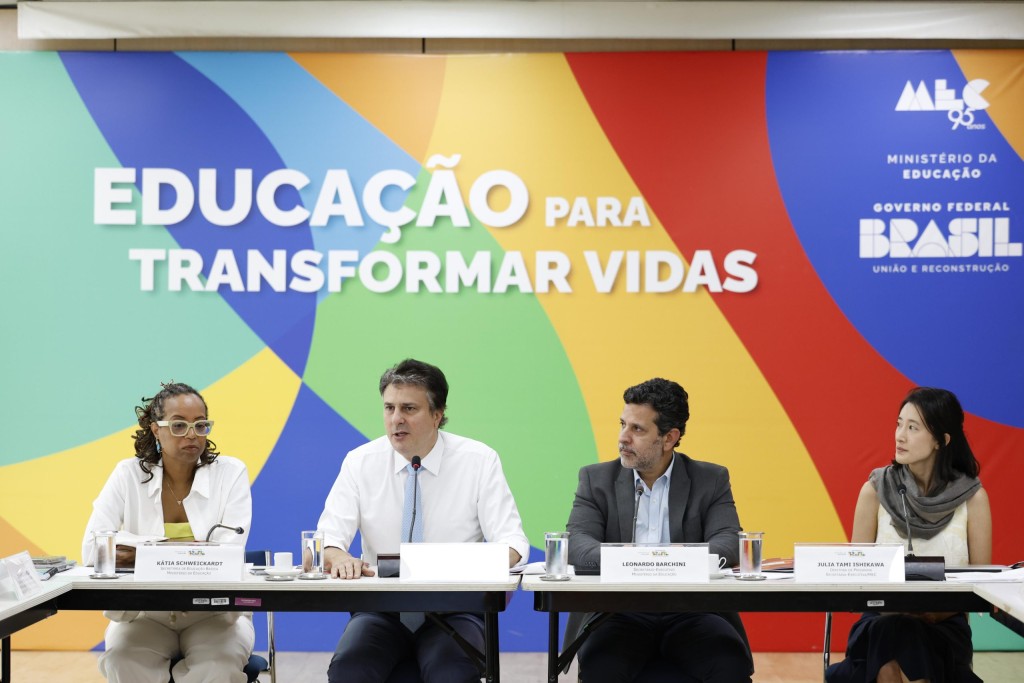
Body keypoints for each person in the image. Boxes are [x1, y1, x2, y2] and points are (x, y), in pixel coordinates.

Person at [316, 358, 530, 683]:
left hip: (455, 608)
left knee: (452, 674)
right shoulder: (360, 462)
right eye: (389, 408)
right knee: (349, 670)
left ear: (437, 414)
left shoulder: (478, 461)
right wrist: (339, 557)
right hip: (380, 609)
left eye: (409, 408)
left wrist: (459, 565)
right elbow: (327, 540)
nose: (396, 419)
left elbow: (513, 544)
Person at [565, 377, 753, 683]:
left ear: (669, 438)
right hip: (617, 611)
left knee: (729, 665)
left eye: (637, 429)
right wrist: (635, 559)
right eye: (622, 424)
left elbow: (729, 542)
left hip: (692, 609)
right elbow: (578, 544)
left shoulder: (710, 479)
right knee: (601, 668)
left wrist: (674, 559)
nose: (623, 438)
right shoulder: (595, 479)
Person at [82, 382, 254, 683]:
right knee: (122, 661)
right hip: (144, 614)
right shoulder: (127, 474)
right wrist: (184, 551)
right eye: (178, 425)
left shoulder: (230, 473)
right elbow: (94, 549)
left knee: (218, 667)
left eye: (200, 425)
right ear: (156, 430)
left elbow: (227, 553)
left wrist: (139, 553)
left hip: (213, 613)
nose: (192, 434)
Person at [826, 387, 991, 683]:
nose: (900, 436)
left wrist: (935, 613)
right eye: (899, 424)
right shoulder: (875, 491)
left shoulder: (973, 499)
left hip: (943, 628)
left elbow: (981, 589)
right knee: (895, 631)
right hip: (878, 620)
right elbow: (856, 577)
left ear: (942, 440)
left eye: (913, 428)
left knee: (897, 648)